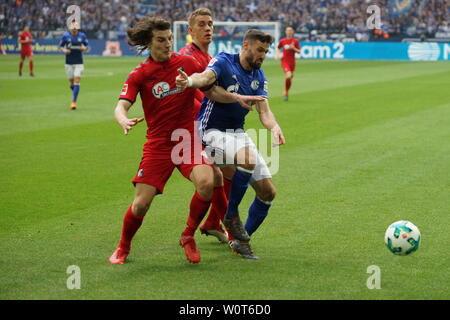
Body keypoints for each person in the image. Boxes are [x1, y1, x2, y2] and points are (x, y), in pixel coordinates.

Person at [108, 16, 262, 265]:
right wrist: (123, 119)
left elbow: (210, 90)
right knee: (140, 205)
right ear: (149, 42)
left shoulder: (186, 63)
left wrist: (235, 98)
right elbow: (120, 106)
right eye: (161, 39)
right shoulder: (140, 74)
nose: (167, 44)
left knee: (208, 181)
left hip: (187, 140)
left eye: (169, 38)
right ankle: (123, 247)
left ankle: (188, 235)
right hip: (158, 145)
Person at [176, 29, 286, 259]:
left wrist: (274, 127)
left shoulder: (259, 75)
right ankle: (231, 215)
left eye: (266, 51)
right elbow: (205, 79)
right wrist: (189, 81)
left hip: (236, 134)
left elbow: (264, 111)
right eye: (259, 50)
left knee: (268, 192)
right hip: (210, 131)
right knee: (247, 158)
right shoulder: (225, 61)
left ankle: (241, 240)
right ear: (246, 45)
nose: (262, 55)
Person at [178, 8, 230, 244]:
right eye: (201, 24)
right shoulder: (186, 58)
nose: (208, 28)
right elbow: (191, 94)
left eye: (210, 23)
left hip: (205, 127)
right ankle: (227, 225)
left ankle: (214, 222)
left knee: (228, 170)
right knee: (218, 174)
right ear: (190, 30)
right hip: (189, 131)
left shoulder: (208, 58)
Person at [58, 22, 89, 110]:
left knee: (77, 80)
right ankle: (75, 89)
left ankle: (73, 102)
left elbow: (87, 46)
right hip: (68, 63)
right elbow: (60, 46)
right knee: (72, 83)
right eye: (73, 26)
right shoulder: (66, 36)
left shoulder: (82, 36)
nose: (74, 28)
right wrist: (64, 50)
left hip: (79, 62)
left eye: (76, 26)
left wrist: (84, 48)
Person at [276, 26, 300, 101]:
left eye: (290, 30)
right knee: (289, 75)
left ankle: (286, 91)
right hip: (284, 61)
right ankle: (286, 92)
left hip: (292, 62)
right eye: (287, 30)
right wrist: (279, 54)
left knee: (290, 77)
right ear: (285, 32)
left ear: (292, 32)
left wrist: (293, 48)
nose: (289, 32)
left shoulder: (295, 41)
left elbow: (299, 51)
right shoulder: (282, 41)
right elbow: (278, 48)